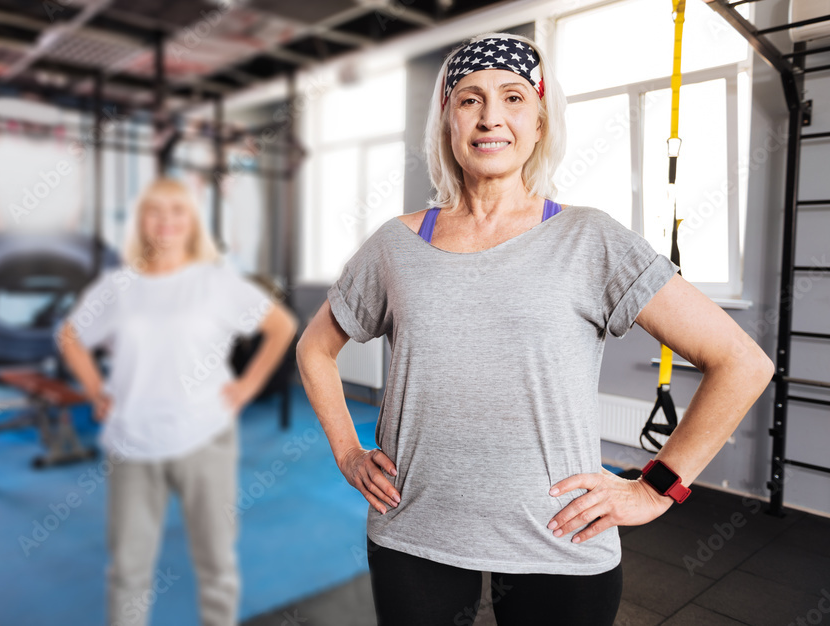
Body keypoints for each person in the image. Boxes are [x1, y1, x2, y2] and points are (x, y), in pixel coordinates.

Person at [296, 32, 773, 626]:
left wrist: (655, 489)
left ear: (541, 121)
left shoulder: (590, 238)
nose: (490, 116)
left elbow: (743, 362)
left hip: (559, 538)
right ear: (447, 120)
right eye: (469, 99)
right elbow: (314, 349)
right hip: (413, 530)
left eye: (513, 97)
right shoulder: (395, 245)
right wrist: (346, 451)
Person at [57, 177, 298, 626]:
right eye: (155, 210)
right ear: (141, 220)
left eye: (177, 211)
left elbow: (281, 325)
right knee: (128, 571)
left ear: (192, 222)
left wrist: (247, 387)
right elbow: (71, 335)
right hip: (131, 442)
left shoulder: (216, 282)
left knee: (216, 565)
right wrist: (95, 389)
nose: (166, 221)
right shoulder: (116, 287)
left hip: (204, 437)